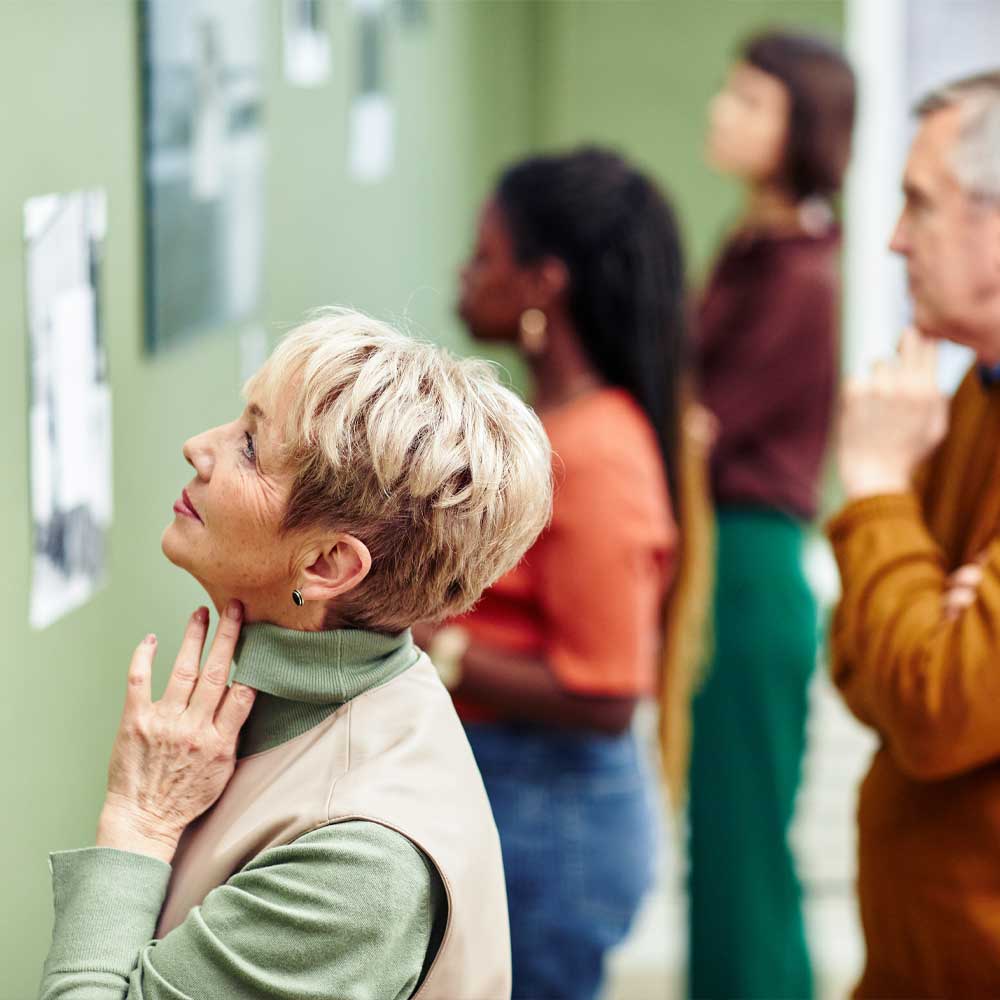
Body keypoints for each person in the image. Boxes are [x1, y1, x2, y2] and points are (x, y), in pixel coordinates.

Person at [37, 308, 553, 1000]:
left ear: (329, 565)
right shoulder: (353, 689)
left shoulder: (360, 868)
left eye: (250, 447)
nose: (199, 446)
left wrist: (140, 817)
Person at [414, 147, 689, 1000]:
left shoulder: (599, 452)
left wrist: (437, 645)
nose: (464, 275)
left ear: (544, 283)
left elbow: (608, 696)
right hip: (516, 794)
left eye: (485, 256)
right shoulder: (549, 428)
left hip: (551, 819)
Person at [687, 30, 856, 999]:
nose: (722, 111)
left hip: (754, 572)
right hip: (728, 566)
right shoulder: (755, 247)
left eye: (750, 102)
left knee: (746, 861)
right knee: (723, 854)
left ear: (801, 131)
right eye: (729, 92)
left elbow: (704, 428)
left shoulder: (800, 272)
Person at [830, 71, 1000, 998]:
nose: (895, 239)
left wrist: (879, 485)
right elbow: (863, 670)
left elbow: (932, 714)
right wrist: (930, 615)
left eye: (919, 206)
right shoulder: (974, 394)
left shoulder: (912, 441)